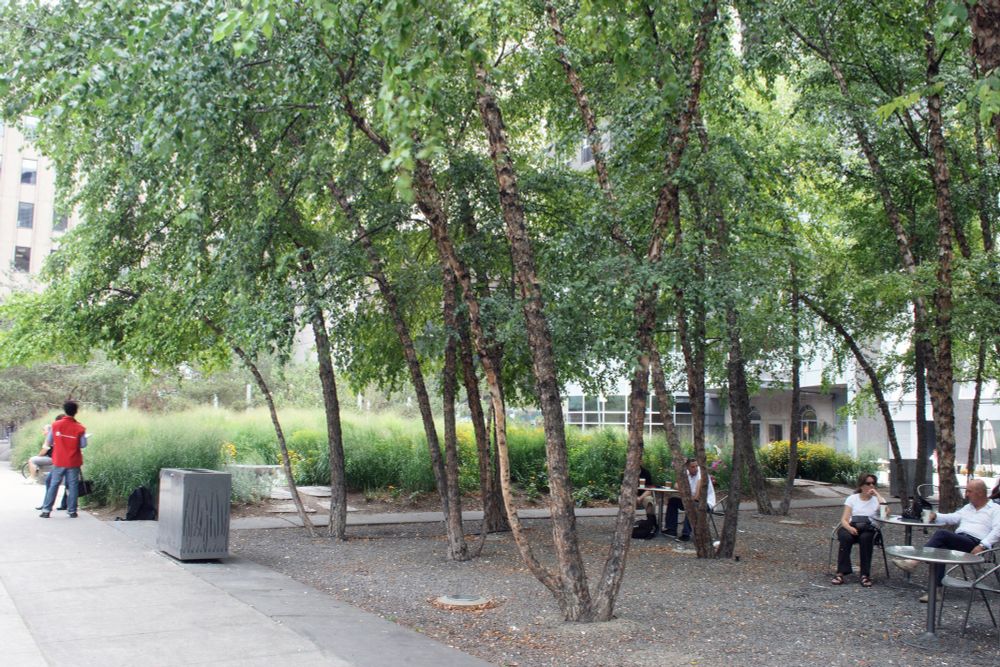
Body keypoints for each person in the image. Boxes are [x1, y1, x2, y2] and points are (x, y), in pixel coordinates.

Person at [892, 478, 1000, 602]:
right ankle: (935, 591)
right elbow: (953, 517)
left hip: (975, 544)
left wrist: (983, 545)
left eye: (969, 491)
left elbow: (998, 530)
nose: (966, 494)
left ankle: (913, 561)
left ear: (980, 493)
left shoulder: (995, 509)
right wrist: (936, 516)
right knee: (939, 549)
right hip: (961, 540)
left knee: (942, 534)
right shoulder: (969, 507)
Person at [832, 472, 887, 588]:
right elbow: (844, 519)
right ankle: (841, 572)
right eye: (868, 483)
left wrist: (877, 495)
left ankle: (865, 574)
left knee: (866, 538)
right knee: (844, 536)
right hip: (852, 525)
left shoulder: (877, 500)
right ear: (861, 485)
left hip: (869, 528)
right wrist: (849, 528)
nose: (871, 486)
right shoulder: (852, 498)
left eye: (873, 483)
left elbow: (886, 512)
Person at [39, 401, 87, 519]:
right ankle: (72, 511)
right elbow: (83, 444)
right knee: (73, 485)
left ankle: (46, 510)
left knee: (54, 484)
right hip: (73, 461)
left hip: (59, 460)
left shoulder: (55, 425)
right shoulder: (80, 428)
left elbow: (49, 441)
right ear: (76, 412)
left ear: (64, 410)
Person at [665, 458, 715, 541]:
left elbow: (697, 496)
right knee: (673, 501)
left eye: (696, 466)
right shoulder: (687, 473)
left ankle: (686, 534)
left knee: (692, 505)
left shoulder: (701, 473)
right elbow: (676, 485)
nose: (695, 468)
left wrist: (684, 495)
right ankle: (671, 530)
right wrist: (684, 492)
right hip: (690, 500)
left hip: (706, 503)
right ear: (687, 467)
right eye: (692, 467)